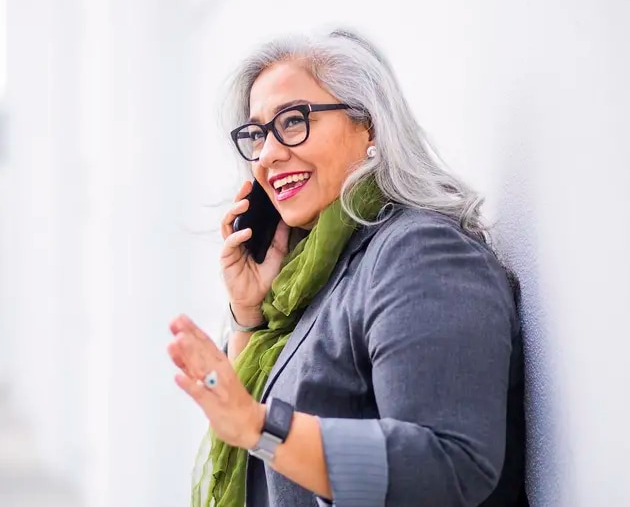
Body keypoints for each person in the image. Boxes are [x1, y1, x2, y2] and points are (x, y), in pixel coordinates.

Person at [166, 29, 527, 507]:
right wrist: (249, 315)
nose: (268, 154)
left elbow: (447, 466)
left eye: (293, 121)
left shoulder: (421, 252)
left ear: (370, 126)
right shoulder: (305, 283)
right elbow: (255, 464)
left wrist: (260, 427)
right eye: (256, 134)